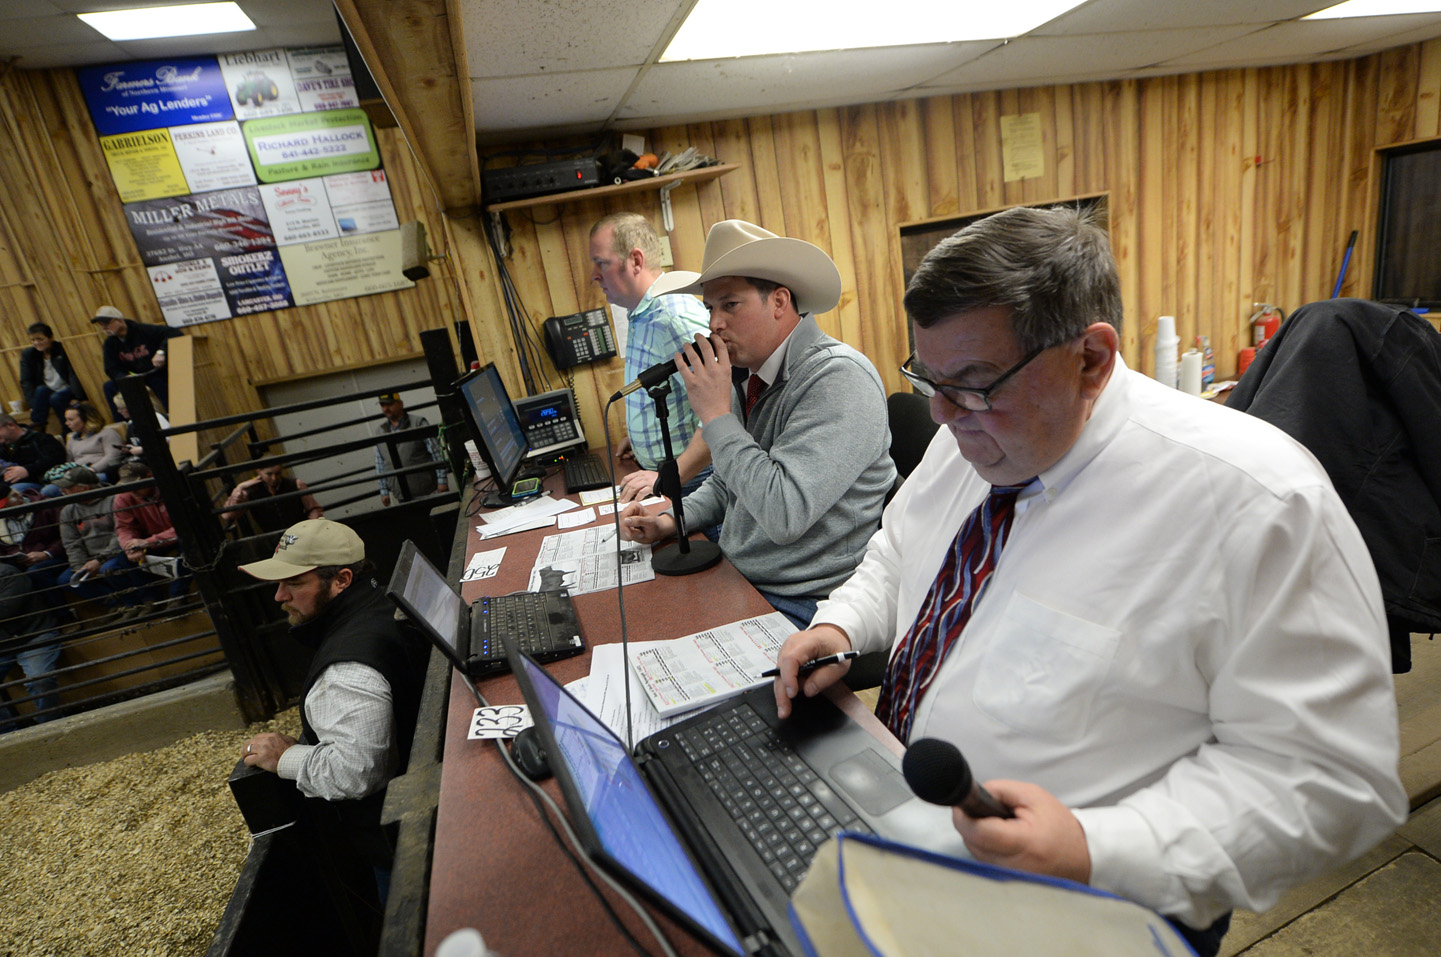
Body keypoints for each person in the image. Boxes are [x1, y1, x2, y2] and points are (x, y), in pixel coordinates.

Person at [769, 205, 1407, 955]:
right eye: (927, 378)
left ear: (1092, 359)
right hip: (913, 829)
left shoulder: (1257, 503)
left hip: (1098, 901)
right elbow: (899, 549)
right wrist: (841, 623)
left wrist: (1093, 846)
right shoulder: (973, 435)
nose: (941, 413)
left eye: (972, 383)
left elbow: (1333, 781)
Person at [619, 220, 895, 628]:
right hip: (746, 575)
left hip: (809, 600)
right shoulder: (749, 375)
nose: (715, 323)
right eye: (710, 308)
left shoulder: (838, 379)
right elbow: (728, 485)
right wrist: (670, 520)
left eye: (730, 305)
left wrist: (715, 417)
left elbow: (784, 514)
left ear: (780, 302)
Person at [238, 519, 427, 902]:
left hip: (408, 847)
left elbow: (357, 772)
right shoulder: (385, 600)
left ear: (341, 580)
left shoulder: (345, 671)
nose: (279, 596)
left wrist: (288, 757)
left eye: (294, 583)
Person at [588, 212, 713, 503]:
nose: (594, 275)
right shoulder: (644, 313)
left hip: (695, 483)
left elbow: (722, 413)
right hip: (668, 473)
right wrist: (645, 438)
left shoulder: (672, 317)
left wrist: (669, 475)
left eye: (601, 263)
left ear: (635, 260)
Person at [52, 466, 149, 619]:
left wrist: (100, 560)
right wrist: (80, 567)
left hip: (117, 551)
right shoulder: (68, 510)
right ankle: (117, 604)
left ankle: (137, 602)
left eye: (68, 488)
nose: (64, 492)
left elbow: (120, 533)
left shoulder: (114, 500)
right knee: (65, 580)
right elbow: (71, 542)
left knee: (109, 568)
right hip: (90, 558)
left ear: (84, 488)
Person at [110, 462, 188, 601]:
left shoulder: (170, 487)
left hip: (176, 536)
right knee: (124, 555)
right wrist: (130, 545)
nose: (133, 491)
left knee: (190, 546)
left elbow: (185, 525)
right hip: (151, 540)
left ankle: (177, 597)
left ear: (149, 476)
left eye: (136, 485)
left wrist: (148, 542)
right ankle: (150, 600)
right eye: (128, 486)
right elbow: (124, 527)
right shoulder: (123, 497)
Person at [0, 564, 66, 728]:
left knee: (40, 680)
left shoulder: (7, 573)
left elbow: (5, 610)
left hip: (34, 633)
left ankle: (49, 727)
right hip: (3, 643)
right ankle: (8, 733)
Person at [91, 304, 182, 419]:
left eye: (107, 324)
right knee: (109, 387)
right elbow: (111, 368)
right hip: (133, 377)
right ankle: (124, 423)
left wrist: (161, 352)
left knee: (158, 382)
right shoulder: (110, 343)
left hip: (155, 372)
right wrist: (123, 376)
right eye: (102, 325)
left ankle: (175, 417)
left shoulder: (143, 330)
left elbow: (174, 333)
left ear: (119, 321)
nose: (104, 328)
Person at [373, 393, 448, 506]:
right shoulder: (380, 431)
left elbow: (436, 452)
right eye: (383, 405)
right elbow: (380, 463)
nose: (386, 408)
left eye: (389, 404)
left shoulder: (418, 423)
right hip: (401, 494)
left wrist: (442, 481)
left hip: (428, 491)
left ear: (400, 404)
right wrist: (384, 491)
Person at [0, 481, 68, 607]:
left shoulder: (46, 507)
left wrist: (47, 553)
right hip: (18, 563)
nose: (3, 509)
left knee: (36, 572)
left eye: (4, 505)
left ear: (16, 496)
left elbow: (67, 536)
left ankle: (63, 615)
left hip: (54, 556)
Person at [19, 322, 86, 432]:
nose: (37, 343)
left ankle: (67, 431)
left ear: (51, 337)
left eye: (40, 339)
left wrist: (78, 397)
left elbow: (73, 374)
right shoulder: (29, 354)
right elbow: (26, 381)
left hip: (67, 389)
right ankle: (38, 429)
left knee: (56, 398)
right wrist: (32, 404)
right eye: (33, 340)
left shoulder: (62, 349)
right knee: (41, 390)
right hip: (48, 390)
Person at [222, 464, 323, 532]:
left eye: (278, 473)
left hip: (300, 533)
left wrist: (311, 529)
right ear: (259, 472)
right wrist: (239, 488)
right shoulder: (251, 491)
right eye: (269, 474)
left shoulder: (296, 484)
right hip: (272, 541)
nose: (274, 478)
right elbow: (228, 515)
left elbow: (314, 509)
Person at [0, 413, 68, 495]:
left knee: (13, 491)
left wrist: (27, 470)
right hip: (12, 483)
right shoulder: (3, 447)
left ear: (11, 426)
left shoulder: (41, 439)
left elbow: (55, 460)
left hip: (43, 481)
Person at [58, 404, 124, 487]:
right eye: (66, 419)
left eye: (70, 419)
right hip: (78, 476)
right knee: (50, 489)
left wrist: (92, 469)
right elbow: (69, 462)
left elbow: (113, 456)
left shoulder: (107, 433)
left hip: (101, 472)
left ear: (87, 418)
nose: (66, 423)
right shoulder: (72, 439)